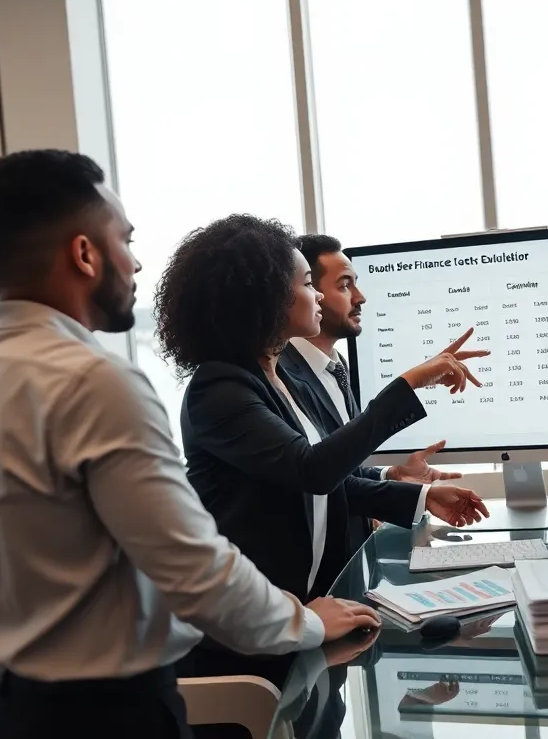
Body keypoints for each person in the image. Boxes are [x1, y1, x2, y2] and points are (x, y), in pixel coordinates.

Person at [0, 150, 378, 739]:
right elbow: (194, 570)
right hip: (110, 717)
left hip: (4, 711)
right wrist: (305, 622)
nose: (135, 264)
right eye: (125, 241)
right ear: (84, 254)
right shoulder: (95, 383)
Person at [152, 215, 490, 682]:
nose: (315, 296)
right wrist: (410, 383)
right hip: (249, 635)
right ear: (268, 300)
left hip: (303, 616)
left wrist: (417, 496)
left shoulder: (275, 379)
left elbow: (328, 482)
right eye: (308, 283)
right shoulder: (220, 388)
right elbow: (310, 471)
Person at [283, 234, 462, 563]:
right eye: (345, 285)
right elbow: (315, 475)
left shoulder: (336, 367)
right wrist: (420, 496)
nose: (360, 297)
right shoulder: (281, 376)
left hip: (352, 567)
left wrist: (390, 475)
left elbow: (339, 466)